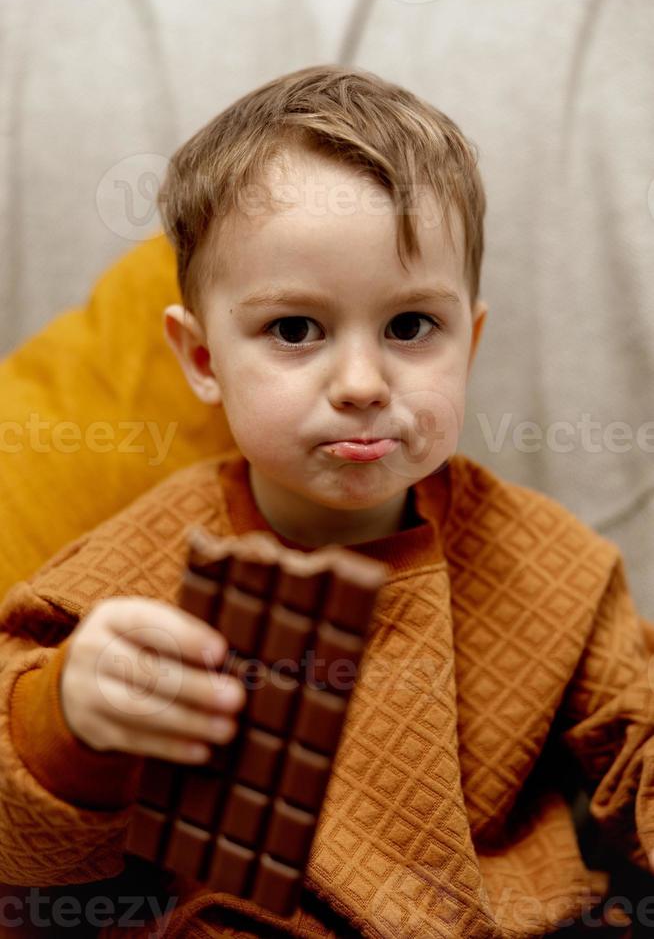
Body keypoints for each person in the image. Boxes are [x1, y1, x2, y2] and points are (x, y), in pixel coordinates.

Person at [0, 65, 649, 938]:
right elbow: (21, 845)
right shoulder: (134, 578)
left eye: (411, 326)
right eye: (295, 330)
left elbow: (633, 747)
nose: (360, 383)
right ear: (200, 360)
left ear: (471, 339)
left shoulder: (555, 567)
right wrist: (70, 722)